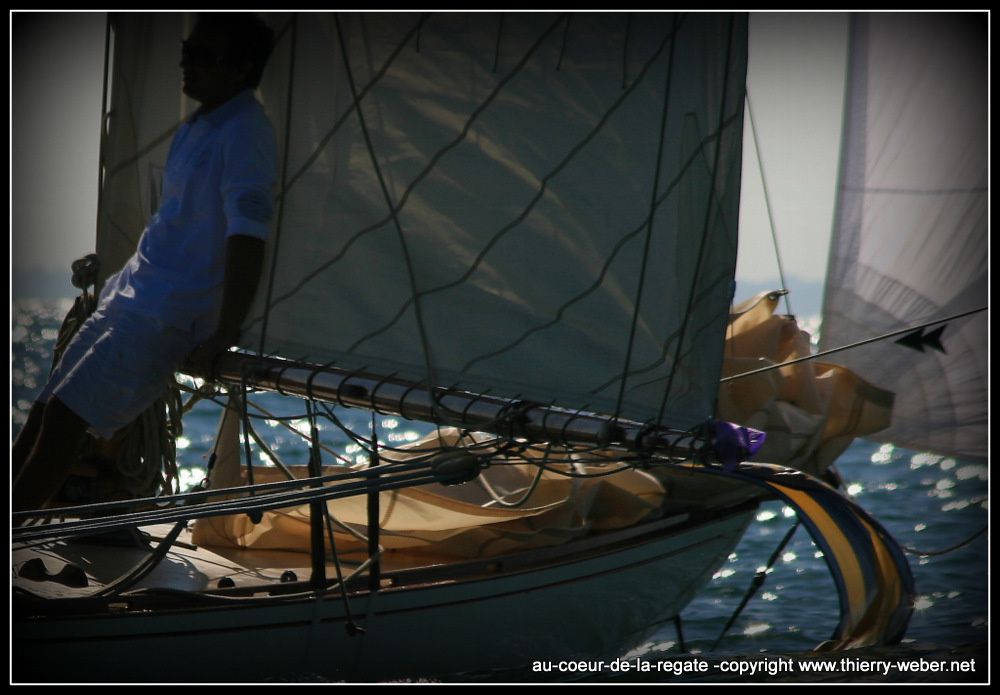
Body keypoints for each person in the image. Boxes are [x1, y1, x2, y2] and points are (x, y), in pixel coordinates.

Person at [13, 13, 278, 513]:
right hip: (129, 296)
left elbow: (249, 236)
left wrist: (225, 332)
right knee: (45, 414)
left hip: (164, 314)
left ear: (241, 67)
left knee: (65, 425)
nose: (188, 64)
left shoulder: (245, 133)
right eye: (186, 52)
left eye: (203, 56)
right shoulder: (200, 123)